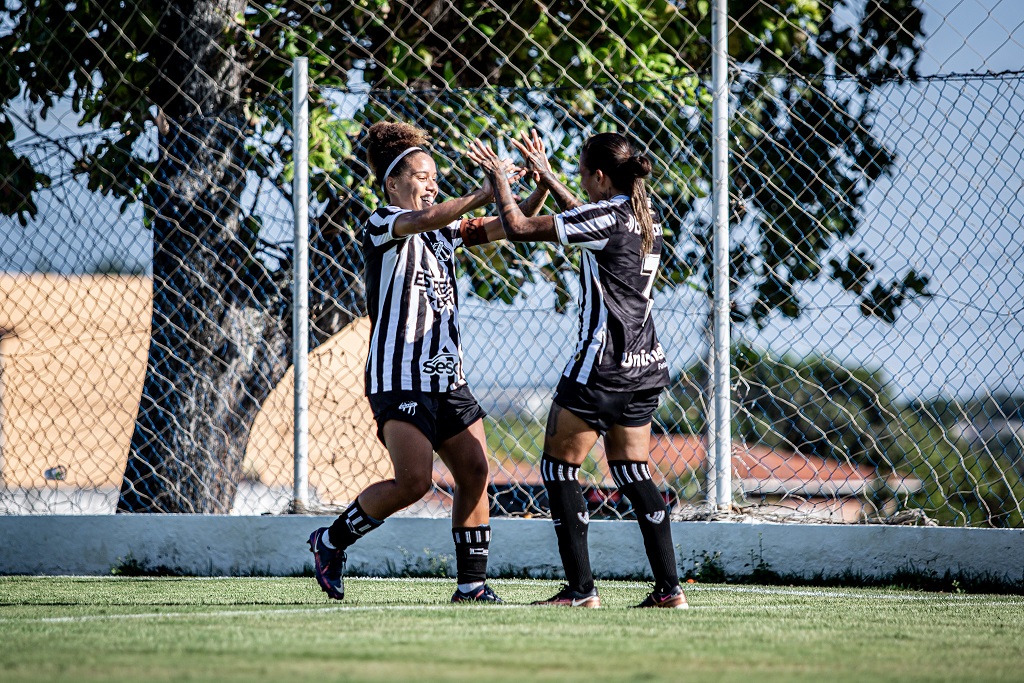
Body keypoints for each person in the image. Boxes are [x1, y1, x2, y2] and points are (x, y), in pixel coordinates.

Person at [308, 121, 548, 603]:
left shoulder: (447, 232)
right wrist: (488, 188)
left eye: (434, 176)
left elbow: (513, 224)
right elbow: (424, 220)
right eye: (421, 176)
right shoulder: (383, 223)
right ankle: (330, 541)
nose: (432, 183)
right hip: (399, 377)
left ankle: (472, 586)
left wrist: (539, 184)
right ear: (393, 184)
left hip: (447, 377)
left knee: (476, 471)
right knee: (414, 481)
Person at [466, 130, 687, 609]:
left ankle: (582, 590)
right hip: (645, 366)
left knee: (558, 468)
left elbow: (521, 228)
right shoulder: (645, 217)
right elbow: (587, 216)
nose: (581, 182)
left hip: (601, 366)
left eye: (584, 174)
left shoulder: (605, 216)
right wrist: (547, 176)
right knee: (632, 470)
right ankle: (670, 590)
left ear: (601, 177)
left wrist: (500, 179)